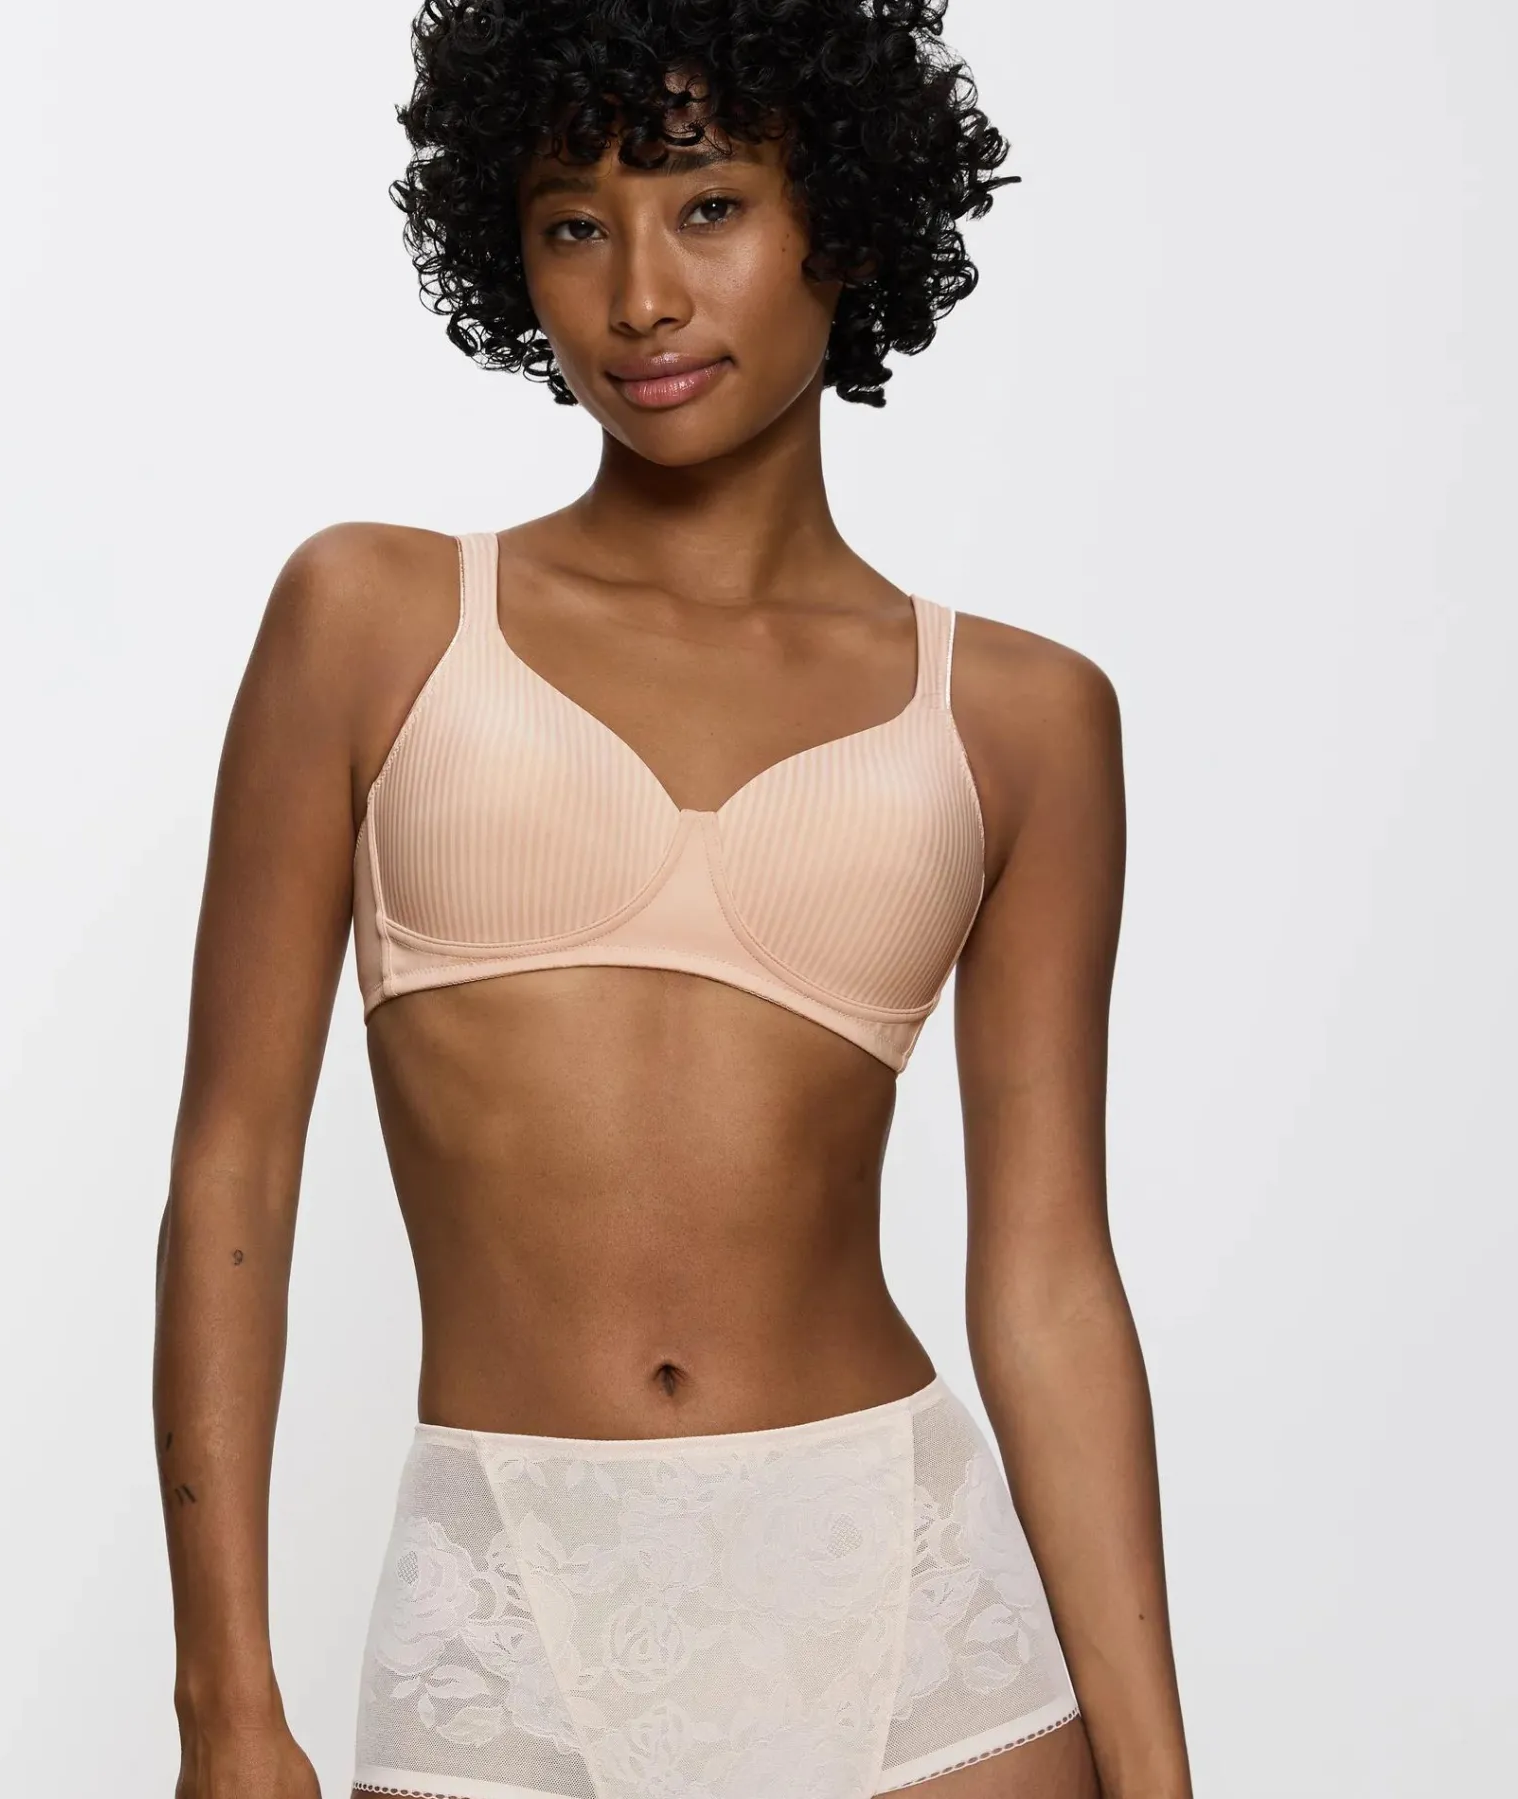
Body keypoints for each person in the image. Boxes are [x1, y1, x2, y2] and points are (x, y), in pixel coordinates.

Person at [153, 3, 1192, 1796]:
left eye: (708, 205)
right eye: (575, 223)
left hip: (910, 1621)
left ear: (841, 215)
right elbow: (231, 1173)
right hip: (508, 1609)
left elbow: (1048, 1282)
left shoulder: (1021, 718)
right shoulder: (374, 622)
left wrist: (1163, 1776)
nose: (639, 296)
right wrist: (222, 1699)